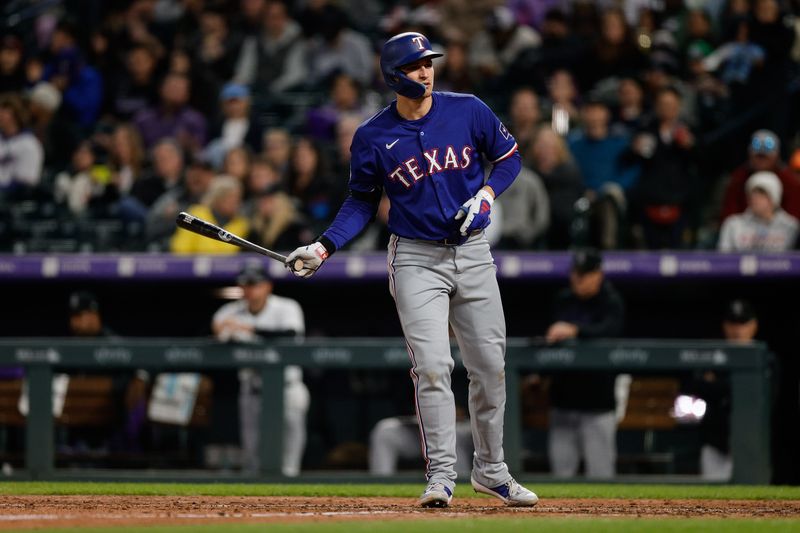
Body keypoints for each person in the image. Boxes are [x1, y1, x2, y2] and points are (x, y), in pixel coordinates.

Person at [285, 32, 538, 508]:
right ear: (393, 76)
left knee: (489, 367)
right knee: (434, 367)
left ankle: (491, 469)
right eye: (415, 66)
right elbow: (361, 201)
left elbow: (508, 158)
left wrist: (486, 195)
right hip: (416, 258)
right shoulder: (372, 135)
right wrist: (323, 247)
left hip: (473, 250)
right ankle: (442, 475)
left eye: (428, 63)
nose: (425, 71)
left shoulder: (468, 109)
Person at [211, 261, 309, 477]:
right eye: (245, 284)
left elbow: (291, 335)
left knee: (290, 458)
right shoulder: (232, 310)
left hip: (288, 389)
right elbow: (217, 327)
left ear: (267, 286)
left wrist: (249, 328)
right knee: (252, 453)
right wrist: (223, 328)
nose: (249, 289)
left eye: (254, 283)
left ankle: (291, 492)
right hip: (252, 388)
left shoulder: (287, 307)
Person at [545, 248, 625, 479]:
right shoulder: (564, 299)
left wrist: (575, 330)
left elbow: (610, 331)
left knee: (601, 475)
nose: (578, 279)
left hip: (598, 405)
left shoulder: (611, 301)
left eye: (585, 274)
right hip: (563, 402)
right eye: (576, 273)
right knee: (561, 477)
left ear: (598, 274)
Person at [718, 171, 799, 252]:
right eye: (752, 193)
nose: (755, 198)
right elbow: (724, 260)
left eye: (762, 193)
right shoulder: (733, 225)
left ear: (774, 197)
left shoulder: (791, 226)